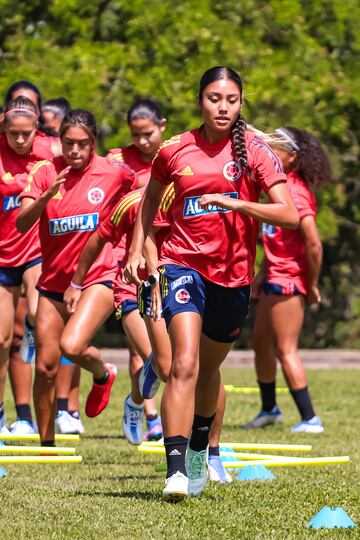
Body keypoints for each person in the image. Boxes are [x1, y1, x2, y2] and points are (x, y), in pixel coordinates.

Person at [124, 66, 299, 502]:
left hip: (234, 278)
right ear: (200, 100)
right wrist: (139, 250)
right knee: (183, 363)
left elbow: (289, 214)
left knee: (208, 368)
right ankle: (176, 470)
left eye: (232, 100)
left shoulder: (255, 152)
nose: (222, 107)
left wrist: (235, 202)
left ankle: (202, 445)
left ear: (241, 103)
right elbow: (149, 200)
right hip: (182, 265)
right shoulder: (174, 149)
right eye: (214, 98)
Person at [17, 108, 134, 446]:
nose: (75, 151)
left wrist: (136, 246)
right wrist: (44, 197)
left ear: (94, 142)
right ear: (59, 142)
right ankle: (47, 445)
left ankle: (102, 373)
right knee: (45, 367)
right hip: (52, 283)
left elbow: (145, 192)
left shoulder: (114, 173)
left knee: (71, 345)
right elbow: (23, 223)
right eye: (69, 143)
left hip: (98, 277)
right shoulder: (43, 173)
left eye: (83, 144)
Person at [243, 126, 331, 433]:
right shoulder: (278, 187)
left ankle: (310, 418)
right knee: (260, 344)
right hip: (274, 279)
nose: (266, 154)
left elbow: (314, 244)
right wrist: (263, 273)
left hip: (290, 281)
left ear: (292, 157)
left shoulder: (294, 192)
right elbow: (279, 241)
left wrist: (313, 284)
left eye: (274, 149)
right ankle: (270, 410)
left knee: (285, 349)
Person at [106, 99, 167, 440]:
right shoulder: (117, 162)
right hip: (127, 270)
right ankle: (149, 414)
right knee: (148, 355)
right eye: (136, 135)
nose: (142, 142)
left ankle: (137, 402)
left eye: (149, 134)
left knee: (162, 360)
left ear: (163, 126)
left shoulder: (172, 160)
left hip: (163, 269)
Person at [0, 96, 54, 434]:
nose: (20, 141)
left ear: (37, 130)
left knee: (37, 314)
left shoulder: (50, 151)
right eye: (13, 134)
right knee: (2, 340)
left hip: (36, 250)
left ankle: (33, 335)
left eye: (26, 134)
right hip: (2, 257)